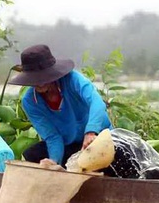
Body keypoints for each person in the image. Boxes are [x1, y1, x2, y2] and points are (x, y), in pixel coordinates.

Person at [8, 44, 117, 172]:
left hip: (98, 136)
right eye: (34, 78)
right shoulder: (30, 101)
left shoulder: (73, 79)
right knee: (33, 154)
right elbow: (52, 137)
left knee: (109, 160)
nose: (39, 82)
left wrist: (91, 132)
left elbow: (97, 102)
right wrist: (53, 161)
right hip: (72, 144)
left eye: (43, 76)